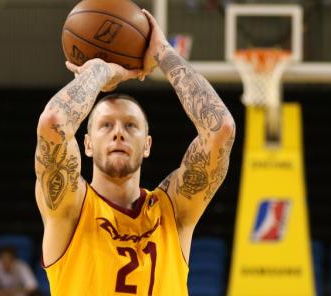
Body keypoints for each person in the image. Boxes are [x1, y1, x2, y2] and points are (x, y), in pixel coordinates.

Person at [34, 9, 235, 295]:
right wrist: (99, 70)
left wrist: (165, 54)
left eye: (130, 125)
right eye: (105, 125)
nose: (118, 132)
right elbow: (53, 123)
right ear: (87, 144)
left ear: (147, 145)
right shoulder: (71, 207)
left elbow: (220, 129)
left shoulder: (173, 211)